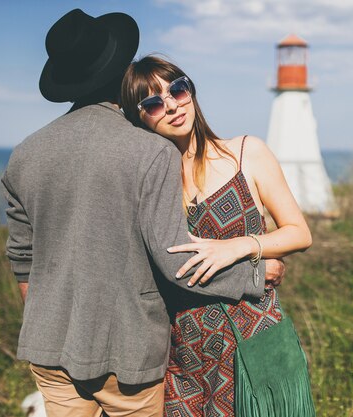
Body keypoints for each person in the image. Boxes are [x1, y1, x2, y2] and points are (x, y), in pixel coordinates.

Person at [1, 10, 283, 417]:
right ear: (121, 74)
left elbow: (22, 259)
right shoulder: (149, 152)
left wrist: (52, 316)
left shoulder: (25, 154)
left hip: (48, 348)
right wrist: (257, 273)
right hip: (127, 354)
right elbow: (174, 261)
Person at [121, 55, 312, 416]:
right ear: (139, 117)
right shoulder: (148, 187)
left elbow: (299, 233)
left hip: (256, 344)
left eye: (178, 89)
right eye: (154, 102)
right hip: (183, 360)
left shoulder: (245, 153)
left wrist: (242, 246)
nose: (173, 105)